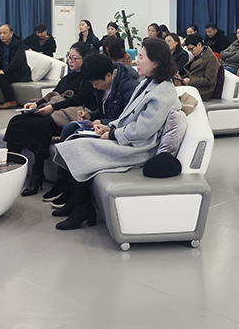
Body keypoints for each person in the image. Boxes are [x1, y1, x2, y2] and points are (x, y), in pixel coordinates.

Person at [51, 38, 181, 230]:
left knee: (78, 146)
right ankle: (78, 202)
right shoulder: (149, 83)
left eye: (141, 57)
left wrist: (113, 134)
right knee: (76, 139)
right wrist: (110, 127)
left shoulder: (163, 93)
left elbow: (143, 130)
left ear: (155, 62)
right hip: (130, 140)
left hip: (139, 149)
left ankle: (83, 207)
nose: (137, 60)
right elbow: (127, 115)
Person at [45, 54, 141, 204]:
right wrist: (90, 115)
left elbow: (128, 119)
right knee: (70, 128)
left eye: (95, 83)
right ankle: (63, 181)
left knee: (77, 136)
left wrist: (103, 122)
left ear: (108, 76)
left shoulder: (129, 87)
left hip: (116, 132)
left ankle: (75, 195)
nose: (94, 87)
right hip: (104, 126)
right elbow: (104, 110)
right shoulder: (104, 84)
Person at [4, 42, 98, 196]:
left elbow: (78, 99)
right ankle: (13, 166)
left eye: (74, 58)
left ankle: (37, 174)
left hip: (72, 115)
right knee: (17, 121)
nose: (70, 61)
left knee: (41, 125)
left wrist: (53, 108)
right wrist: (36, 104)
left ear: (86, 59)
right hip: (56, 110)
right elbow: (53, 94)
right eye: (69, 57)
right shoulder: (68, 78)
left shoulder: (89, 79)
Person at [0, 24, 31, 109]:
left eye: (4, 33)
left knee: (1, 76)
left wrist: (4, 71)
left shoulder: (19, 44)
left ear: (11, 33)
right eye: (0, 33)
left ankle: (11, 101)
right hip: (5, 70)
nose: (2, 35)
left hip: (18, 73)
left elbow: (17, 61)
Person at [182, 34, 220, 100]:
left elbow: (209, 80)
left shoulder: (211, 58)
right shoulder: (198, 56)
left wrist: (190, 81)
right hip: (194, 86)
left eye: (191, 49)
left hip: (203, 91)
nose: (191, 52)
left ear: (199, 44)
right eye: (189, 50)